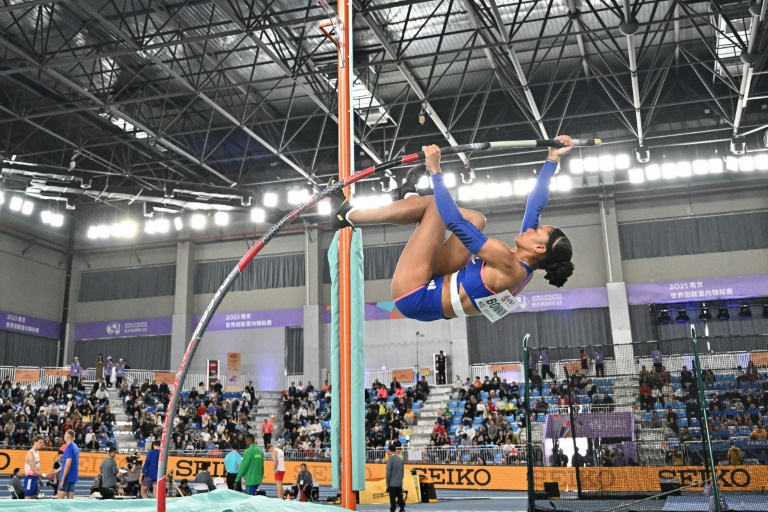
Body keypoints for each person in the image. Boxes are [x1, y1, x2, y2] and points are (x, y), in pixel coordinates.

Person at [328, 138, 575, 323]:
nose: (532, 228)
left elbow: (454, 222)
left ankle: (348, 215)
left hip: (415, 296)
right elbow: (535, 204)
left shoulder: (506, 262)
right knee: (476, 218)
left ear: (539, 248)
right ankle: (409, 198)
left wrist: (435, 169)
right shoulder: (524, 264)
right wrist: (553, 159)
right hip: (439, 287)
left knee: (436, 205)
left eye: (538, 230)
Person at [58, 429, 80, 499]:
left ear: (68, 437)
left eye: (65, 435)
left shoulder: (69, 448)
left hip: (66, 477)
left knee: (59, 502)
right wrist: (55, 471)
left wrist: (63, 479)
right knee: (70, 502)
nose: (64, 437)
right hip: (73, 476)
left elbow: (68, 464)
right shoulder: (75, 447)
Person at [386, 444, 405, 512]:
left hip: (392, 483)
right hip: (399, 482)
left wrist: (387, 481)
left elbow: (388, 472)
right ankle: (402, 507)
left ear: (389, 450)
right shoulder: (401, 459)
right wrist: (401, 479)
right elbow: (402, 471)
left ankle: (393, 508)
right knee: (400, 496)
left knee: (392, 497)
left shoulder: (390, 459)